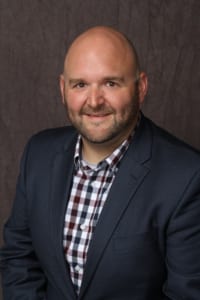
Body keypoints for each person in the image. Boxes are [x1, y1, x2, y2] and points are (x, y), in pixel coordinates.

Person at [1, 26, 200, 300]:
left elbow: (186, 294)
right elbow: (19, 258)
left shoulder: (187, 176)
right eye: (80, 84)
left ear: (141, 88)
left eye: (111, 83)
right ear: (62, 88)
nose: (94, 102)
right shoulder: (39, 153)